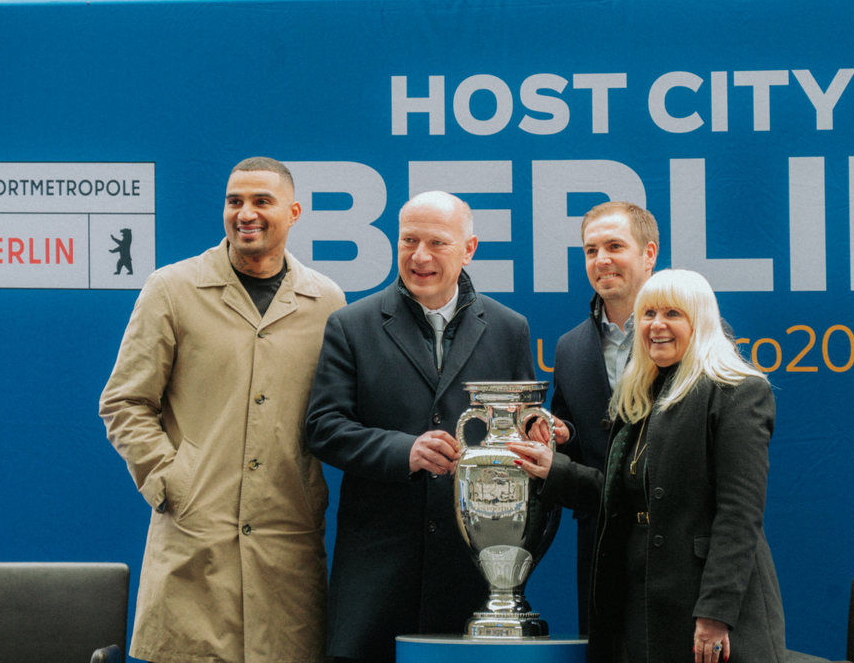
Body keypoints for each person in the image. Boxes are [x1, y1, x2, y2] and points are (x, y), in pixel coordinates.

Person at [100, 157, 345, 663]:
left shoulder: (326, 301)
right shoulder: (172, 288)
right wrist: (172, 481)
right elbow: (125, 400)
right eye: (235, 201)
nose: (245, 213)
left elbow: (337, 413)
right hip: (195, 542)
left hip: (287, 548)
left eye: (261, 201)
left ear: (294, 212)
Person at [514, 269, 792, 663]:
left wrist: (715, 614)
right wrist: (552, 468)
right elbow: (620, 496)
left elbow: (739, 516)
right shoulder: (638, 395)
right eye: (647, 314)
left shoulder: (738, 391)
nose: (657, 326)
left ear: (700, 322)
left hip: (704, 608)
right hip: (636, 601)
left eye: (673, 314)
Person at [305, 191, 535, 663]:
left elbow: (518, 425)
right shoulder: (351, 325)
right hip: (376, 579)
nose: (420, 256)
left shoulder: (510, 328)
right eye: (409, 240)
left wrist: (538, 431)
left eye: (438, 243)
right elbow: (323, 427)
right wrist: (402, 451)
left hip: (472, 575)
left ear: (469, 249)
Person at [549, 200, 659, 634]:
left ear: (649, 254)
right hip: (599, 554)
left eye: (615, 246)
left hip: (672, 548)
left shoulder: (692, 332)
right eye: (591, 250)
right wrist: (559, 435)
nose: (602, 260)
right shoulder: (569, 348)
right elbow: (578, 448)